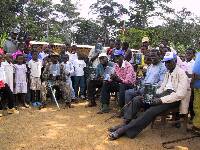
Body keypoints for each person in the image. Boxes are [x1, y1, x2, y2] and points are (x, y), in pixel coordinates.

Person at [108, 52, 190, 140]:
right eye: (165, 62)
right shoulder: (168, 73)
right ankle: (125, 123)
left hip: (174, 100)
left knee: (151, 111)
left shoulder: (181, 74)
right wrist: (150, 95)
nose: (167, 64)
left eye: (169, 62)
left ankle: (124, 130)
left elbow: (180, 95)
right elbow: (162, 88)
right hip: (163, 95)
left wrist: (160, 100)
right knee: (137, 99)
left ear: (175, 61)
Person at [124, 49, 167, 121]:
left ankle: (129, 117)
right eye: (151, 56)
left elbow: (161, 82)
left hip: (152, 90)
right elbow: (146, 79)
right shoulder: (150, 66)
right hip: (143, 87)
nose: (152, 58)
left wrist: (148, 87)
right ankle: (129, 115)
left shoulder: (163, 67)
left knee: (139, 93)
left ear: (159, 56)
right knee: (128, 92)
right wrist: (140, 82)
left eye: (154, 56)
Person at [184, 48, 196, 121]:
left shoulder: (194, 64)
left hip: (191, 85)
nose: (188, 55)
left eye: (190, 53)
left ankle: (192, 117)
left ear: (193, 55)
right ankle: (183, 118)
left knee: (191, 102)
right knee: (184, 102)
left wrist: (189, 75)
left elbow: (196, 75)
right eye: (187, 53)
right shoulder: (183, 63)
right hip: (183, 85)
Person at [190, 51, 200, 132]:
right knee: (196, 106)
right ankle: (197, 126)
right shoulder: (198, 54)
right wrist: (192, 81)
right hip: (196, 86)